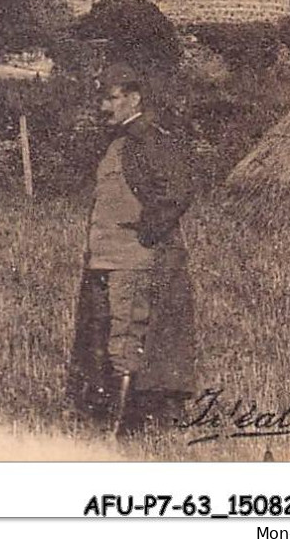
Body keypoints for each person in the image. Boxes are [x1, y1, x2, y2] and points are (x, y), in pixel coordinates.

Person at [67, 61, 198, 435]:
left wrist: (146, 235)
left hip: (130, 258)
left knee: (127, 340)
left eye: (111, 98)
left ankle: (120, 431)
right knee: (106, 338)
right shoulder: (121, 141)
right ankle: (109, 415)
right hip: (106, 259)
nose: (103, 108)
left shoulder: (149, 138)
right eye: (101, 99)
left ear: (134, 98)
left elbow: (176, 190)